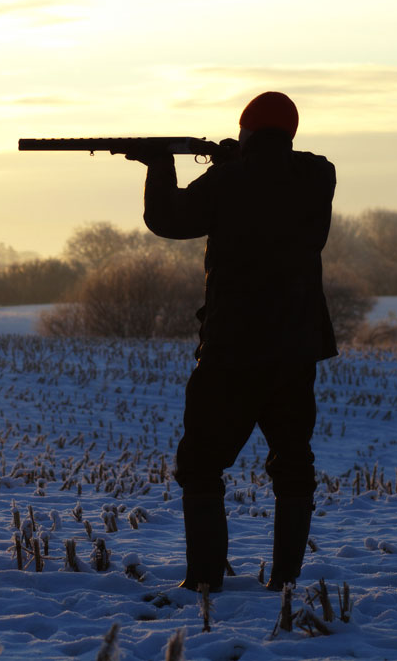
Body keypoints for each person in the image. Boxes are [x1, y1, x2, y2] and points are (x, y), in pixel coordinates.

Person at [125, 91, 337, 592]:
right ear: (290, 132)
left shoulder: (228, 180)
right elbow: (283, 166)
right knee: (293, 465)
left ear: (244, 131)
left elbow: (168, 220)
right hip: (294, 352)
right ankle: (285, 580)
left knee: (200, 467)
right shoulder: (317, 176)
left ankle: (203, 583)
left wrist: (159, 165)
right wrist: (236, 155)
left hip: (231, 353)